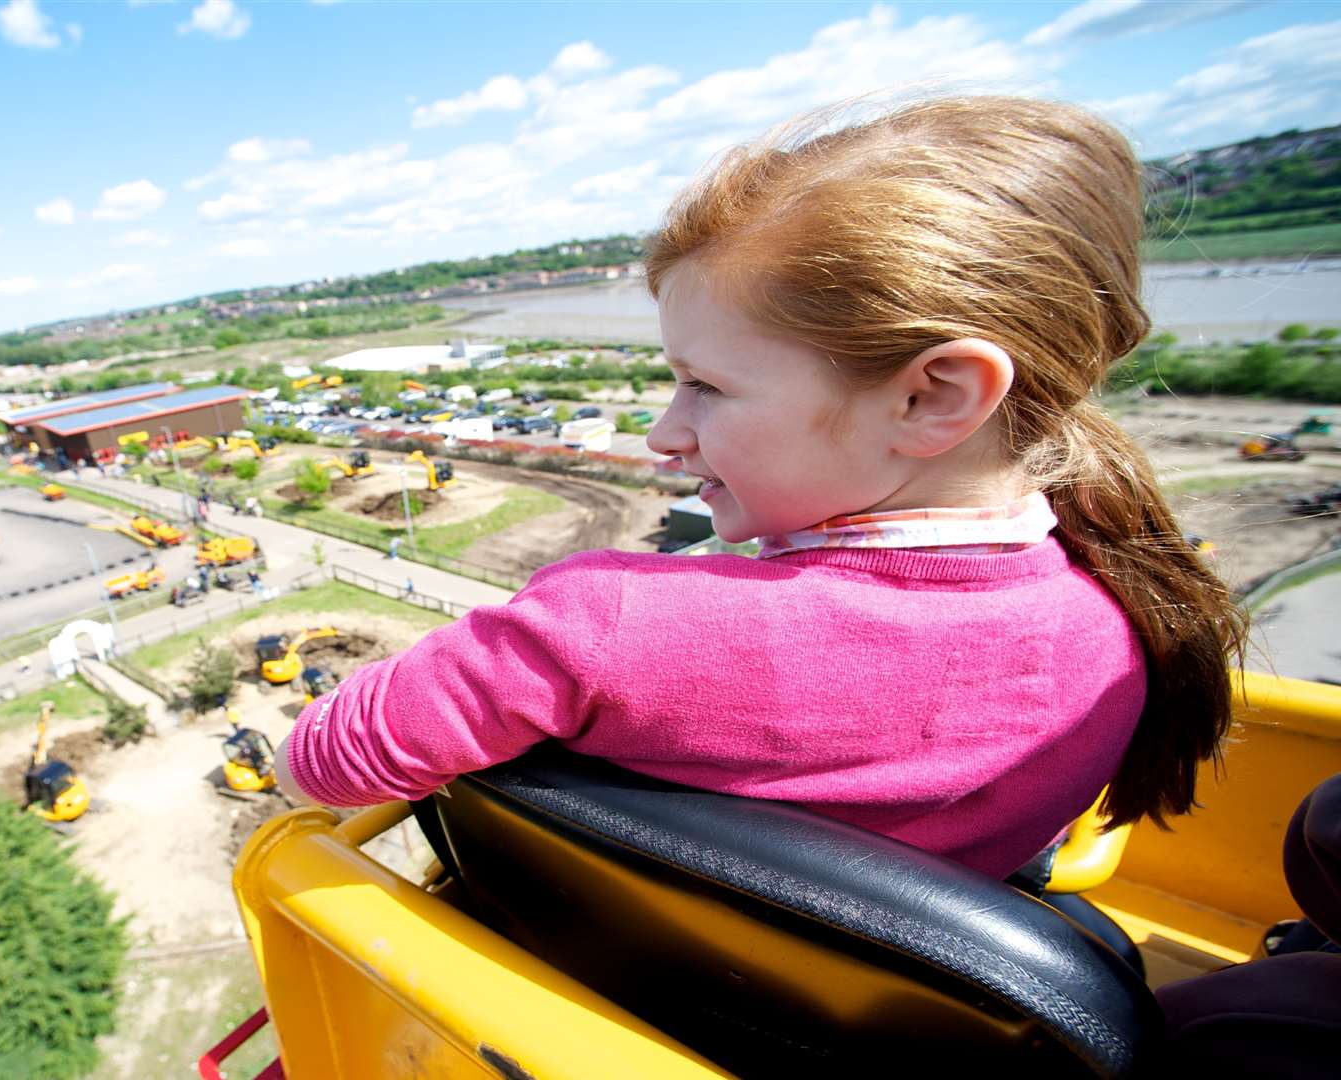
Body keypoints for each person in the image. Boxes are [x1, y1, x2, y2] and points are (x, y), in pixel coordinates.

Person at [275, 96, 1247, 881]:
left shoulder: (608, 627)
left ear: (932, 395)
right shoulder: (1118, 631)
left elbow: (321, 761)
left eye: (705, 384)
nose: (665, 429)